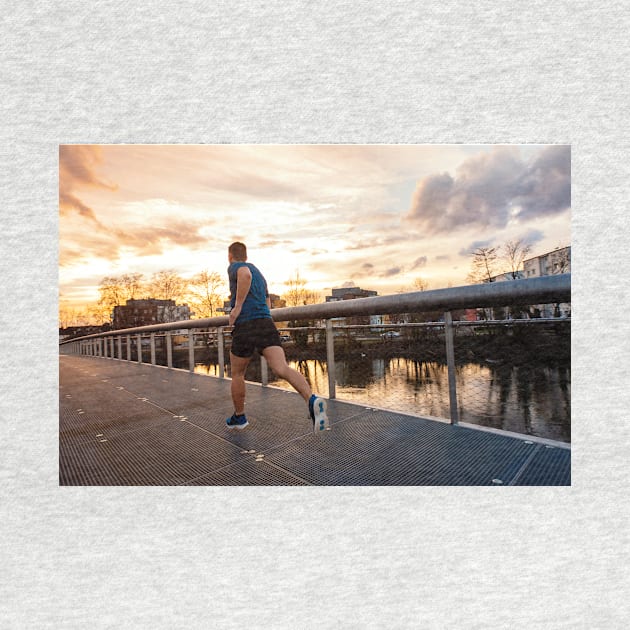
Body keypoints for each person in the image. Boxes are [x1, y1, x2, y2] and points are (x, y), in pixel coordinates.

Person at [224, 242, 329, 432]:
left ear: (231, 255)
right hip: (265, 323)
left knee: (238, 373)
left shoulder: (237, 267)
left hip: (246, 324)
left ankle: (239, 417)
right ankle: (311, 399)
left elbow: (244, 275)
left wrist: (237, 307)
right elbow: (267, 301)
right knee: (282, 368)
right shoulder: (260, 275)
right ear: (246, 255)